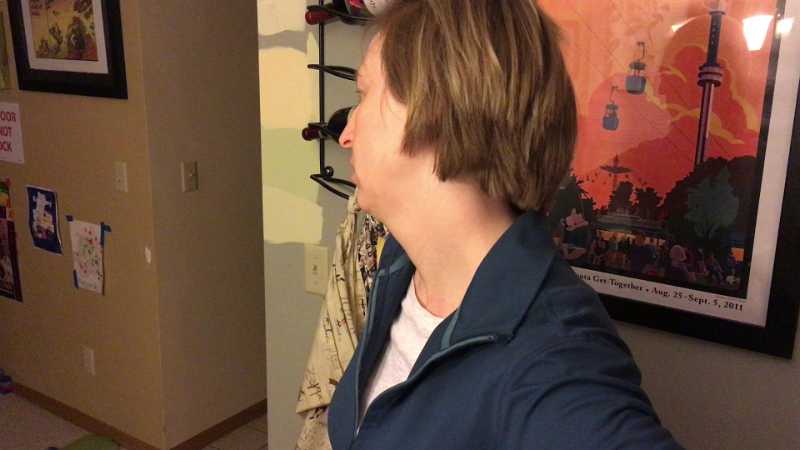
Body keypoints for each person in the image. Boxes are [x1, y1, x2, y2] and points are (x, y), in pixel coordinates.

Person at [328, 1, 683, 449]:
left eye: (363, 94)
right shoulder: (401, 264)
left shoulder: (553, 362)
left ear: (437, 108)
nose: (346, 134)